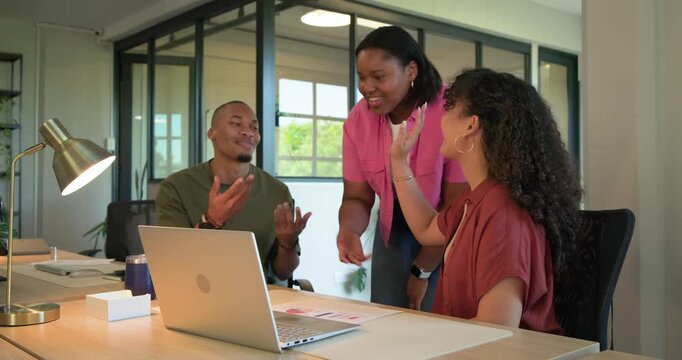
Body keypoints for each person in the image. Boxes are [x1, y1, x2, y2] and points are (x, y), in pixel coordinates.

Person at [389, 68, 582, 332]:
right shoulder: (478, 198)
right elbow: (425, 229)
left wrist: (419, 336)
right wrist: (399, 163)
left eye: (450, 108)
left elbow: (496, 330)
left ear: (471, 125)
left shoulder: (503, 214)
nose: (441, 119)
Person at [337, 26, 466, 311]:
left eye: (378, 77)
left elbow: (458, 210)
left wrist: (422, 271)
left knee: (437, 324)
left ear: (411, 70)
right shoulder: (358, 120)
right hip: (392, 230)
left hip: (451, 233)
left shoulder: (452, 112)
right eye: (362, 77)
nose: (367, 87)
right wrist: (349, 230)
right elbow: (357, 196)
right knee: (386, 320)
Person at [156, 101, 311, 286]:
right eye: (236, 124)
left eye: (254, 127)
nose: (248, 132)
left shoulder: (277, 191)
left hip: (257, 297)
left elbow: (284, 272)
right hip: (195, 293)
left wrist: (288, 243)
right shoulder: (176, 187)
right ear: (212, 133)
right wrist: (211, 221)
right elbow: (175, 262)